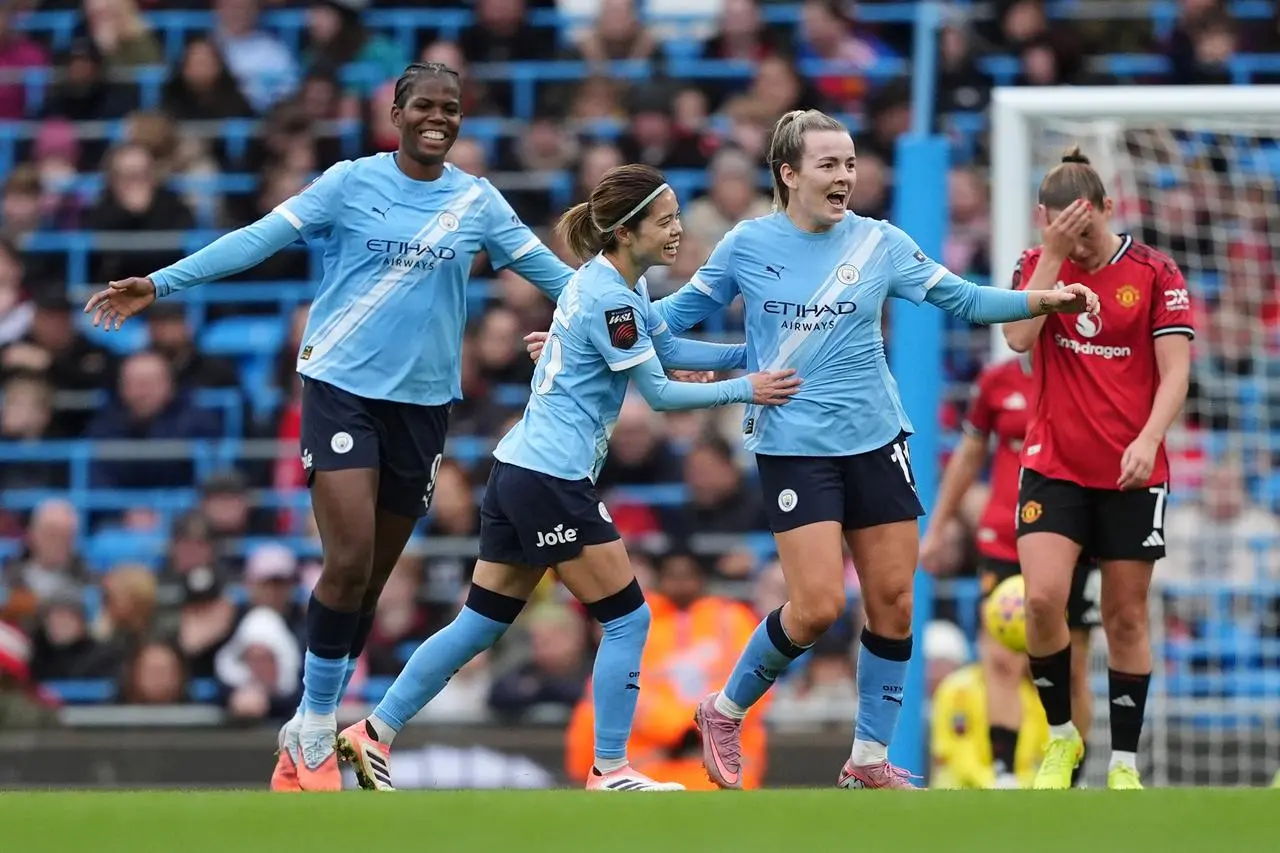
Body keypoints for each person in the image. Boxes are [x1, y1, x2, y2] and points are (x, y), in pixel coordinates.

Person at [527, 109, 1099, 790]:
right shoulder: (745, 244)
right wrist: (579, 344)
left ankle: (866, 759)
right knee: (820, 603)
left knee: (892, 601)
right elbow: (665, 329)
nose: (845, 176)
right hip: (794, 446)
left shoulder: (880, 242)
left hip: (877, 439)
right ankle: (725, 707)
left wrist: (1043, 300)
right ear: (789, 173)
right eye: (829, 164)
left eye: (851, 163)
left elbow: (966, 300)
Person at [83, 63, 581, 792]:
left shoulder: (478, 203)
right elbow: (255, 239)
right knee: (346, 558)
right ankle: (316, 722)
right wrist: (160, 283)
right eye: (425, 106)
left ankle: (312, 722)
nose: (438, 118)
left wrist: (630, 331)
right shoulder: (350, 182)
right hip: (340, 388)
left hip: (423, 407)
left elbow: (561, 280)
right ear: (397, 112)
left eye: (451, 108)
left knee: (370, 580)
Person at [333, 164, 801, 792]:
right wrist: (751, 388)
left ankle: (374, 731)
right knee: (630, 619)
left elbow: (668, 349)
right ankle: (610, 768)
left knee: (480, 623)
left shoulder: (611, 286)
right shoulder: (611, 295)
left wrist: (755, 353)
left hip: (519, 472)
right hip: (552, 479)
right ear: (626, 230)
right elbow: (658, 394)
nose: (676, 231)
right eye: (664, 221)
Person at [1003, 148, 1193, 790]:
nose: (1079, 248)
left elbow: (1176, 373)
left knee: (1126, 617)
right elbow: (1017, 341)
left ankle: (1125, 764)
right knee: (1041, 600)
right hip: (1054, 464)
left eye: (1085, 233)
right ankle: (1062, 739)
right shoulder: (1038, 265)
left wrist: (1149, 438)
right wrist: (1053, 256)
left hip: (1133, 471)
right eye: (1064, 233)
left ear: (1110, 211)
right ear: (1044, 222)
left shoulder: (1155, 271)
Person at [920, 354, 1098, 788]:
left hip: (1069, 537)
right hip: (1004, 538)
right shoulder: (996, 382)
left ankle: (1072, 774)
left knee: (1069, 663)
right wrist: (938, 526)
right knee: (999, 657)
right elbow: (968, 456)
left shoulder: (1087, 374)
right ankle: (1004, 774)